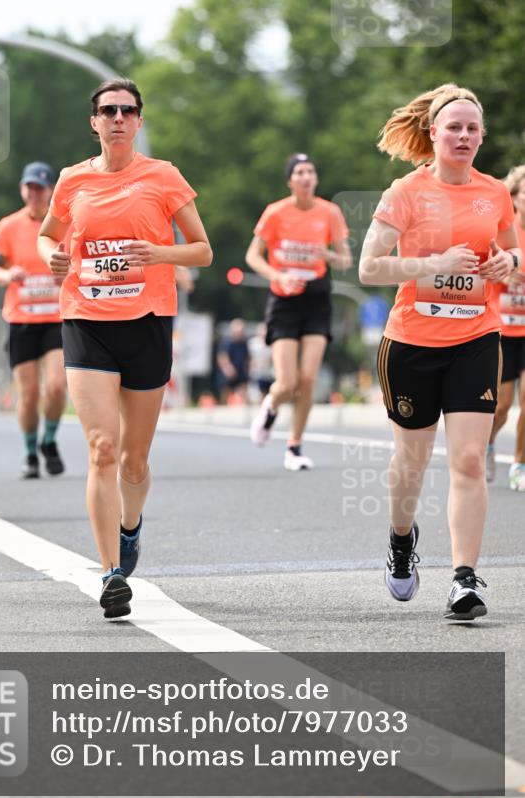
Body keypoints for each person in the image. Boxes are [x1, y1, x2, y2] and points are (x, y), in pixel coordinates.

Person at [38, 78, 212, 619]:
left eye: (127, 111)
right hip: (86, 319)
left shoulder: (163, 177)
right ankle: (112, 572)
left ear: (138, 121)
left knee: (134, 460)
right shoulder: (72, 181)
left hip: (147, 323)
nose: (117, 118)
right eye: (107, 111)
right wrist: (51, 256)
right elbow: (48, 234)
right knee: (102, 449)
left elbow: (203, 251)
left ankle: (130, 527)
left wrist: (157, 253)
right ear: (94, 122)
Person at [359, 84, 521, 621]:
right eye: (454, 127)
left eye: (473, 128)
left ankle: (463, 579)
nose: (464, 136)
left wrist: (508, 265)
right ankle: (401, 539)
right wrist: (430, 266)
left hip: (476, 335)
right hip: (411, 344)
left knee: (471, 458)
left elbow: (513, 250)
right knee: (412, 461)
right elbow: (369, 267)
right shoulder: (405, 191)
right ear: (432, 133)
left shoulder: (494, 192)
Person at [246, 153, 351, 470]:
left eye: (311, 171)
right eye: (300, 172)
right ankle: (271, 406)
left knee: (308, 379)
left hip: (316, 299)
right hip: (284, 301)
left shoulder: (330, 212)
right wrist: (278, 276)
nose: (306, 176)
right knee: (287, 382)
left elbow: (345, 260)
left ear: (315, 179)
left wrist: (328, 255)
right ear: (290, 180)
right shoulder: (276, 213)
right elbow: (253, 256)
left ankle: (294, 447)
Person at [0, 162, 67, 479]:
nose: (34, 194)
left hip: (56, 318)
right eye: (29, 188)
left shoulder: (64, 224)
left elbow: (77, 261)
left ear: (50, 191)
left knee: (57, 387)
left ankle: (49, 439)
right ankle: (30, 451)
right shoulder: (8, 226)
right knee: (30, 393)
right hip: (21, 319)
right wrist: (9, 274)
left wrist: (66, 275)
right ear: (23, 190)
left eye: (40, 188)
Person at [486, 164, 525, 490]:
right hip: (503, 330)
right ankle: (487, 443)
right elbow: (484, 272)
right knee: (501, 405)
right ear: (514, 197)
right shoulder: (504, 234)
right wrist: (505, 271)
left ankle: (519, 464)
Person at [216, 318, 250, 404]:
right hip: (229, 371)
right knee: (226, 392)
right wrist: (228, 368)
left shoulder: (244, 343)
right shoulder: (226, 342)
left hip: (240, 370)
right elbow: (222, 357)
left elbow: (247, 358)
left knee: (243, 391)